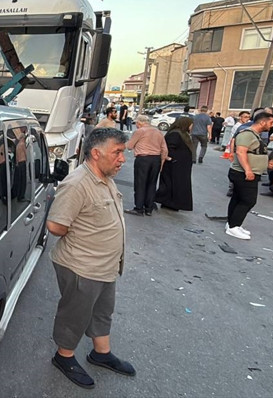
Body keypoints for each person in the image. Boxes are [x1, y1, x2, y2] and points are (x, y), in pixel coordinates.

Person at [46, 128, 134, 389]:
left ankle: (101, 353)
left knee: (102, 311)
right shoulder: (76, 184)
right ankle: (64, 356)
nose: (122, 159)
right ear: (96, 153)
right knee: (75, 314)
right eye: (117, 152)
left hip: (104, 265)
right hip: (81, 265)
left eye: (123, 152)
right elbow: (55, 226)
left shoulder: (105, 176)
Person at [225, 112, 273, 240]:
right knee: (248, 200)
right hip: (243, 174)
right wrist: (248, 170)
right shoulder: (247, 134)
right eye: (271, 122)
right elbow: (241, 152)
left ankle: (233, 223)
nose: (272, 125)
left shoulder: (254, 135)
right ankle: (233, 227)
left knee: (238, 198)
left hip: (249, 173)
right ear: (262, 122)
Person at [124, 115, 168, 216]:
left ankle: (139, 208)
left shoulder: (140, 131)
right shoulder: (158, 132)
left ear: (139, 123)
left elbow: (130, 146)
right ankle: (148, 208)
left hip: (143, 158)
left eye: (136, 124)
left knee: (140, 183)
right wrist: (162, 162)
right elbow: (164, 149)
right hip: (156, 159)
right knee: (152, 184)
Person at [155, 117, 194, 211]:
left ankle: (173, 203)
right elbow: (169, 148)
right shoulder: (176, 134)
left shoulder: (183, 133)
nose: (192, 127)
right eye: (191, 124)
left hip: (180, 166)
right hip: (174, 166)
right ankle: (169, 202)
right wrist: (173, 159)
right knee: (172, 184)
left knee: (176, 185)